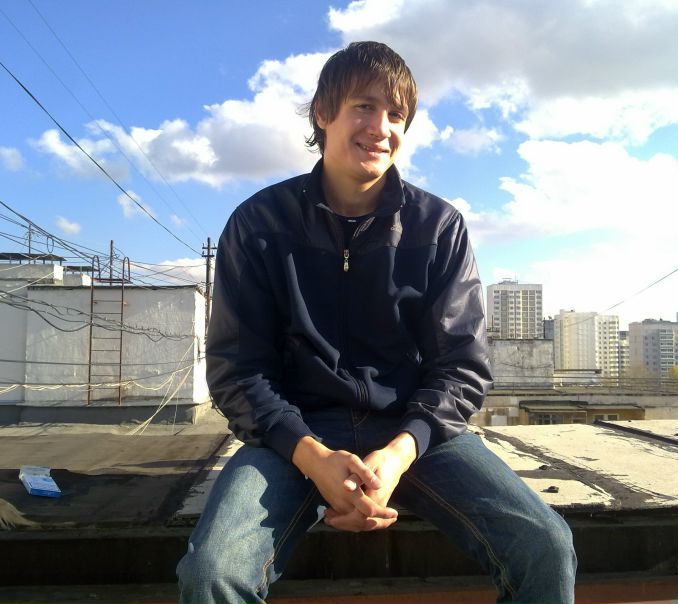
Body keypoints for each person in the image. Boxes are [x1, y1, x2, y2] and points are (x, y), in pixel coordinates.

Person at [177, 41, 576, 604]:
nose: (381, 128)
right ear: (323, 112)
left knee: (545, 546)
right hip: (292, 436)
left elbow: (461, 365)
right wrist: (313, 457)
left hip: (413, 434)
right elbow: (238, 369)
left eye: (396, 114)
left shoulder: (437, 226)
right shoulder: (259, 224)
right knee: (212, 571)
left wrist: (397, 454)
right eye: (364, 106)